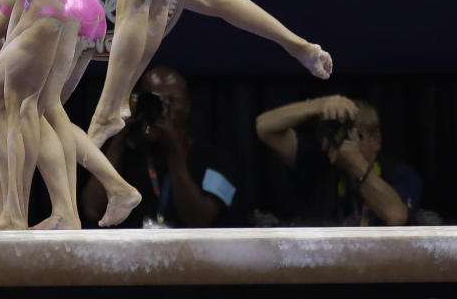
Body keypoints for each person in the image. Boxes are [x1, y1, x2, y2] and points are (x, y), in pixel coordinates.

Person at [82, 67, 241, 228]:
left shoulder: (213, 157)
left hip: (188, 250)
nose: (160, 109)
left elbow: (200, 220)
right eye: (152, 101)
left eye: (170, 101)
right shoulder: (123, 152)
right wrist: (120, 137)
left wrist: (173, 151)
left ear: (187, 105)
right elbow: (92, 210)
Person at [255, 95, 422, 226]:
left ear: (375, 139)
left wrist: (356, 166)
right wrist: (319, 105)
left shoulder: (400, 174)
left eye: (351, 133)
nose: (341, 142)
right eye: (338, 134)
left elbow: (396, 216)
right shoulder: (321, 165)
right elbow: (264, 127)